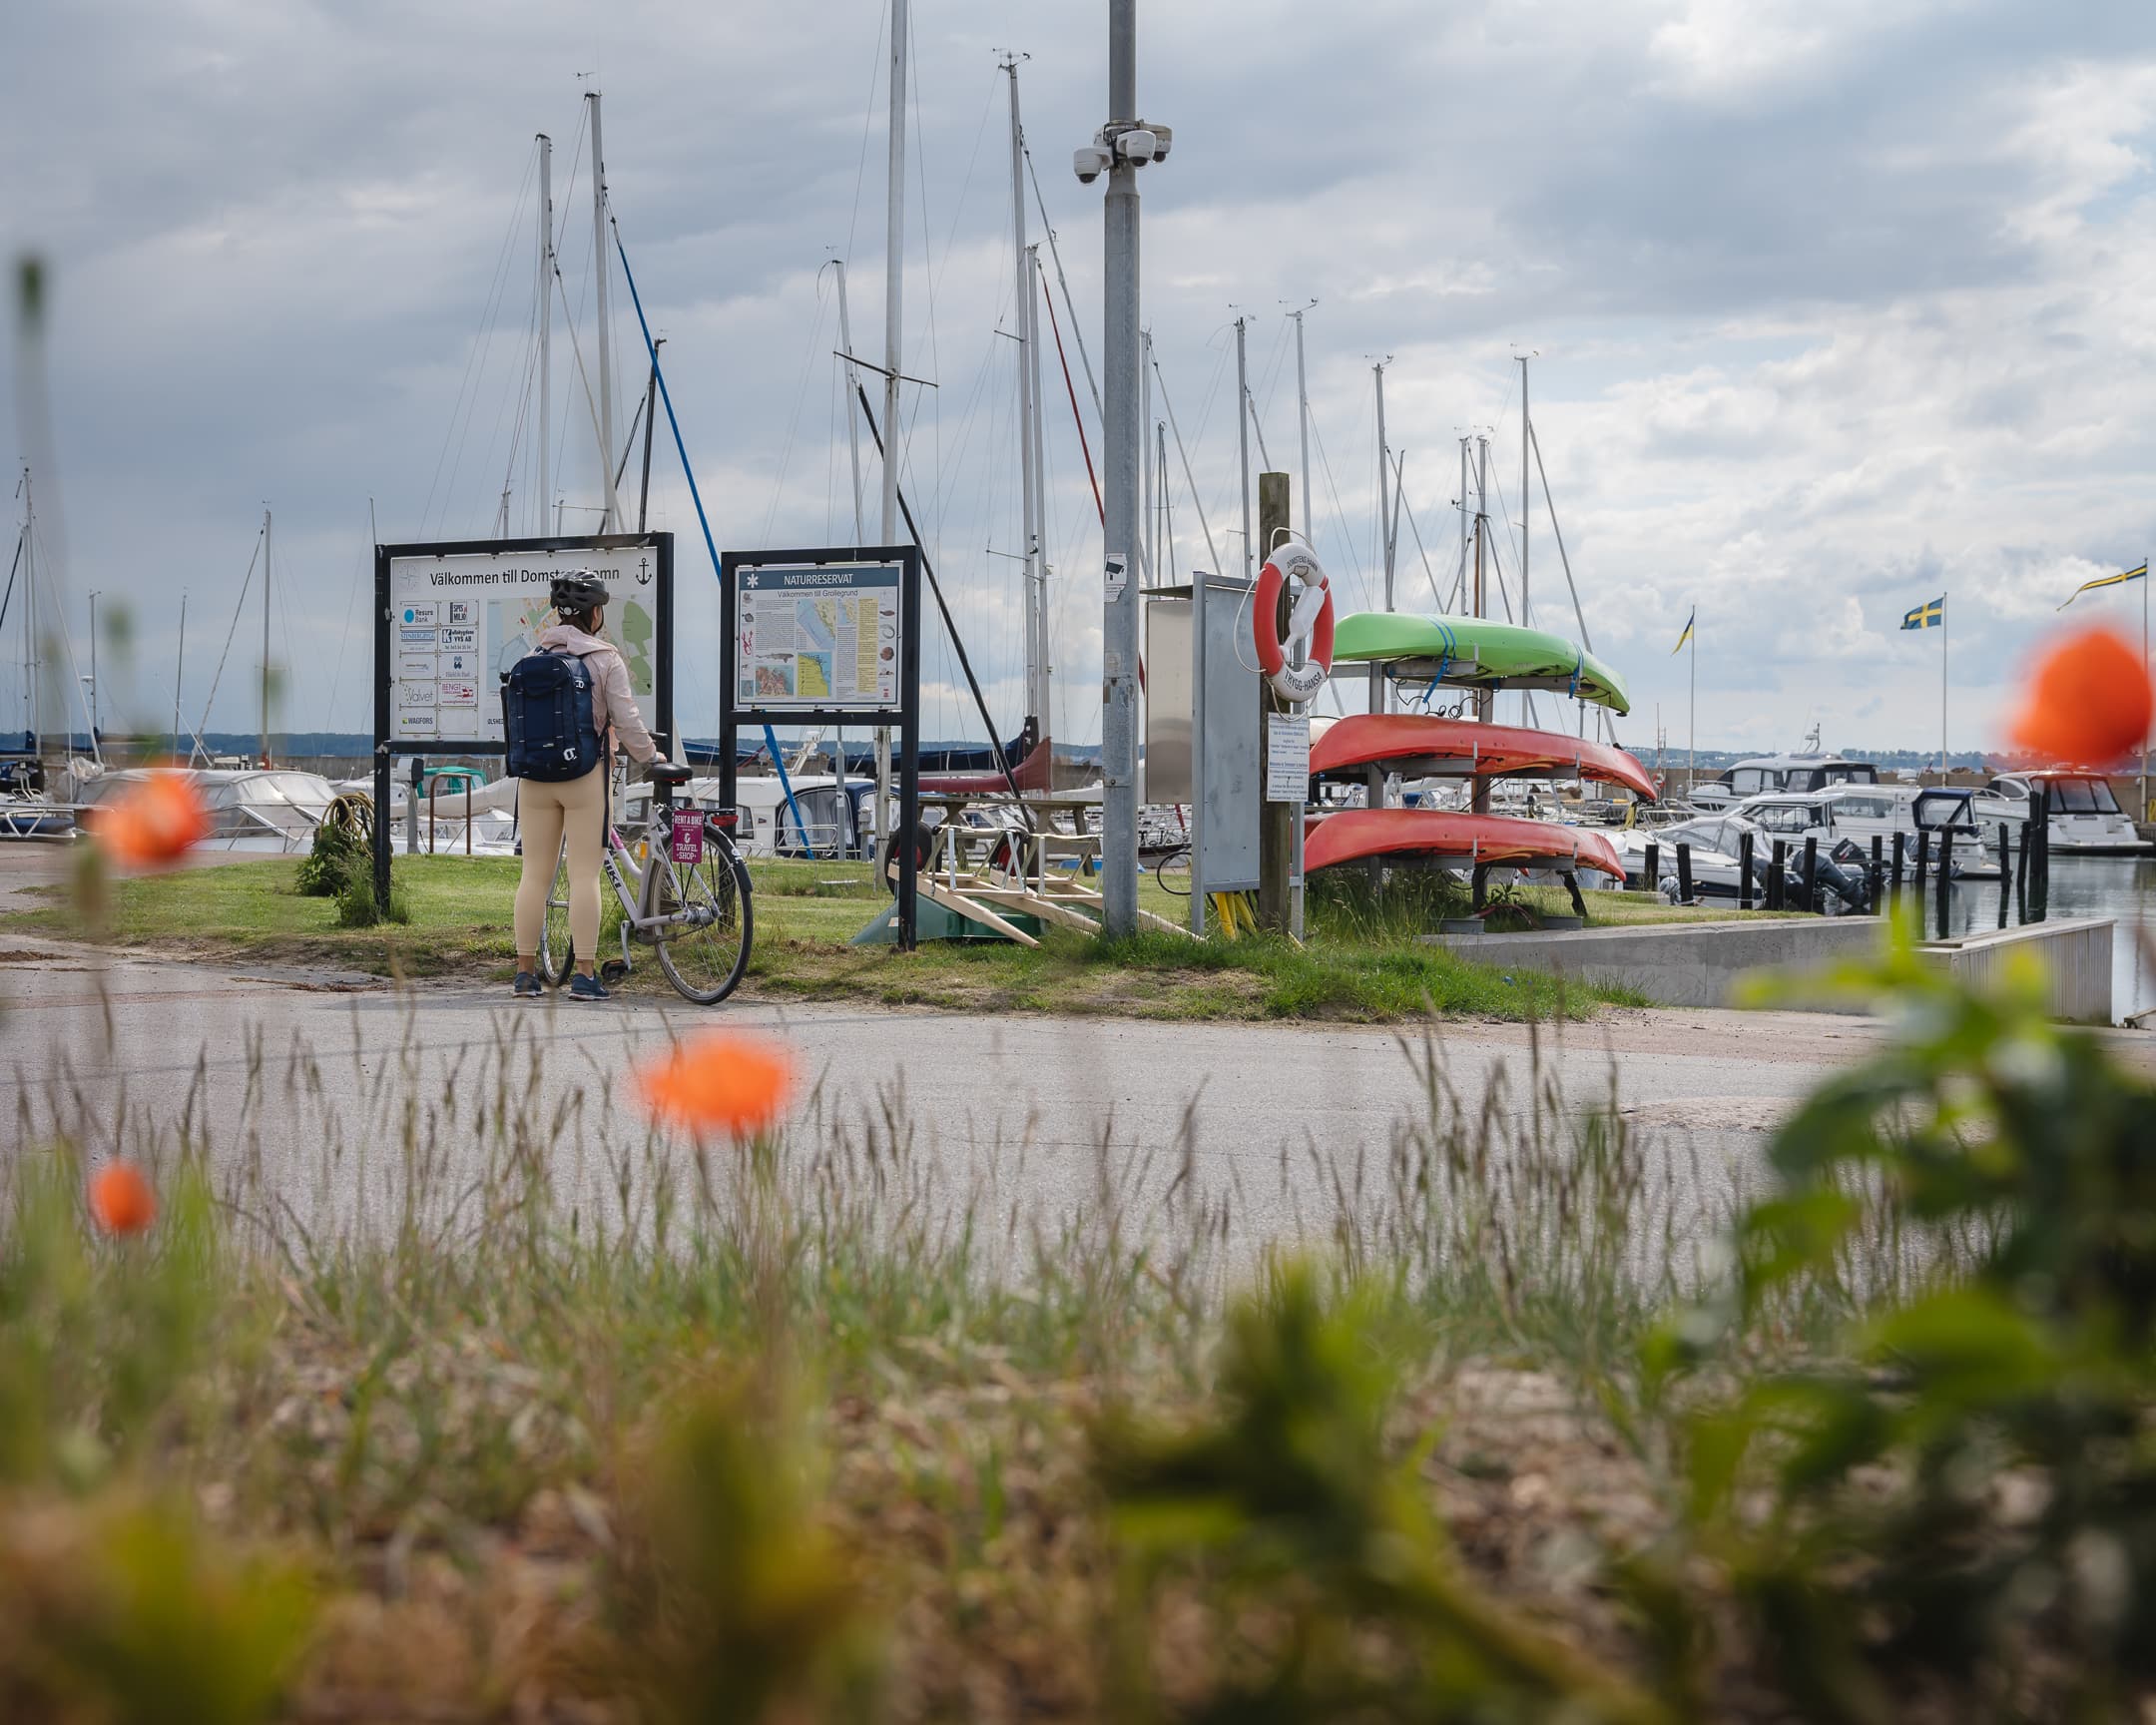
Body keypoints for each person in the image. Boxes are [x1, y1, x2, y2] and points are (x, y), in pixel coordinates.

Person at [511, 572, 659, 1000]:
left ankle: (524, 974)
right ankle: (586, 975)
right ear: (595, 613)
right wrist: (651, 757)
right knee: (583, 875)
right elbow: (627, 721)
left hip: (534, 779)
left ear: (559, 613)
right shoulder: (605, 658)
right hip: (583, 778)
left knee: (534, 875)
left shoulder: (534, 653)